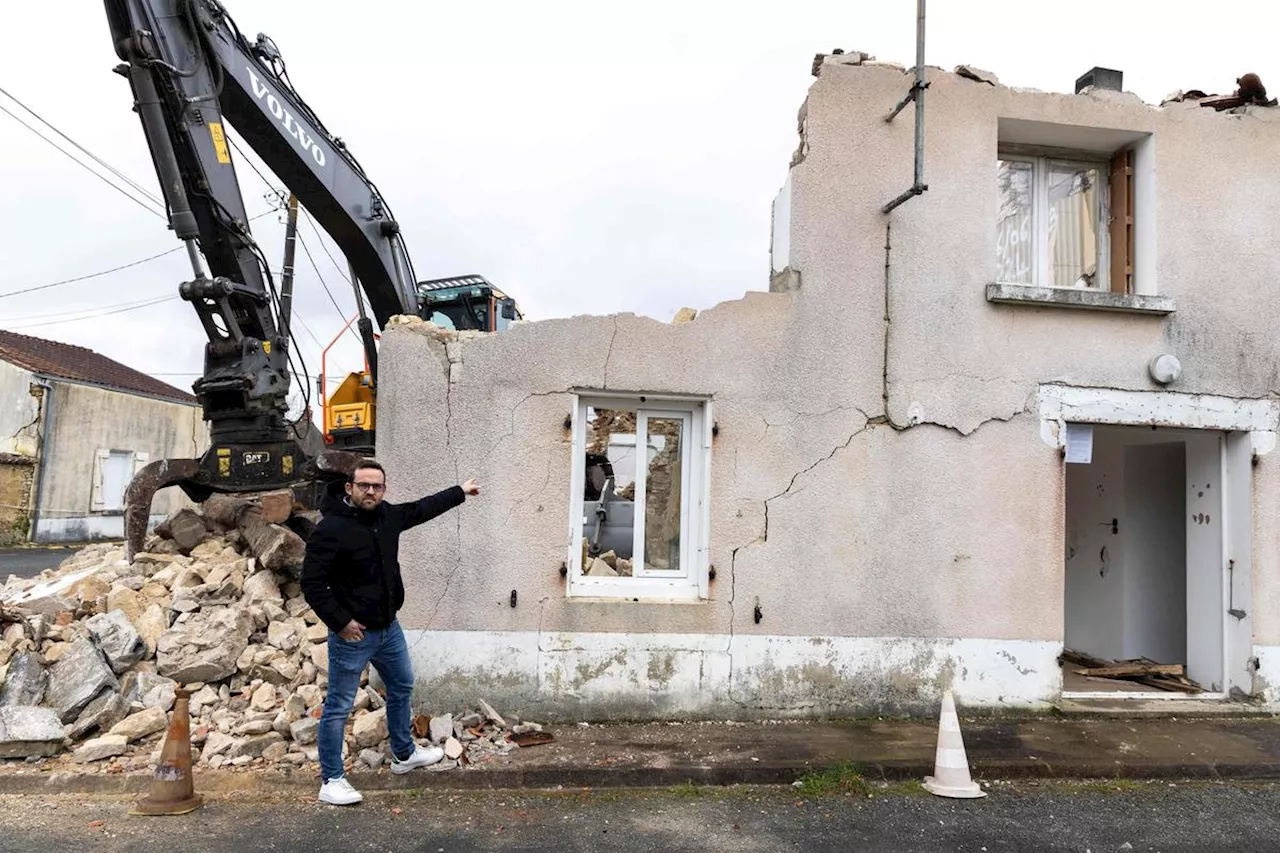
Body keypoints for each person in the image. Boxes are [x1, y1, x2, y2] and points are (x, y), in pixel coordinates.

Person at [300, 458, 480, 806]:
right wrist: (340, 621)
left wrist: (460, 491)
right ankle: (332, 779)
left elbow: (422, 509)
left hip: (388, 629)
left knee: (401, 685)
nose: (371, 491)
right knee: (338, 706)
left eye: (377, 486)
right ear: (349, 488)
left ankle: (403, 754)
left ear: (384, 489)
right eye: (364, 485)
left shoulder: (387, 517)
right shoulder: (331, 528)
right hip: (353, 635)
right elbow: (312, 583)